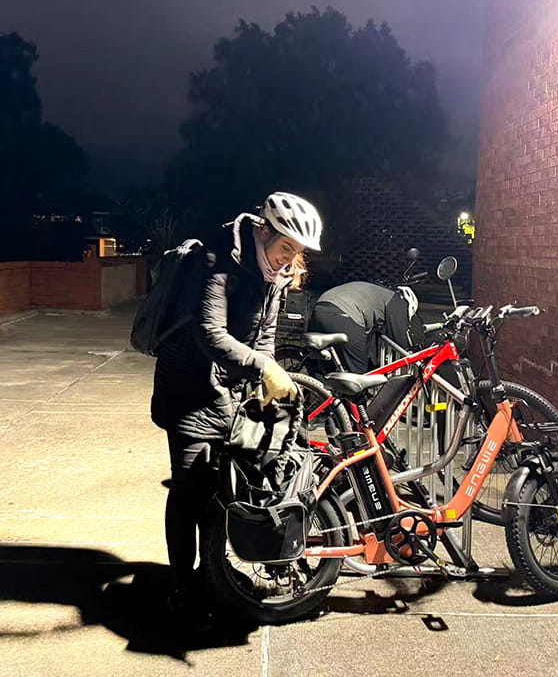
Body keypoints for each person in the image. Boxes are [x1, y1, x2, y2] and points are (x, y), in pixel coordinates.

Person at [149, 191, 323, 622]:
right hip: (188, 388)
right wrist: (264, 367)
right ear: (264, 231)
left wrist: (262, 378)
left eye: (297, 252)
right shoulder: (216, 260)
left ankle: (210, 575)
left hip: (227, 389)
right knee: (189, 491)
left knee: (220, 488)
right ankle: (181, 585)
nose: (289, 259)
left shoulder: (274, 275)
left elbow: (264, 335)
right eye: (286, 247)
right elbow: (210, 334)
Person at [309, 281, 417, 374]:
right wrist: (412, 353)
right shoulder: (397, 302)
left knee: (325, 367)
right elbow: (398, 339)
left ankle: (316, 389)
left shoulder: (380, 293)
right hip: (345, 314)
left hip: (320, 309)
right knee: (358, 374)